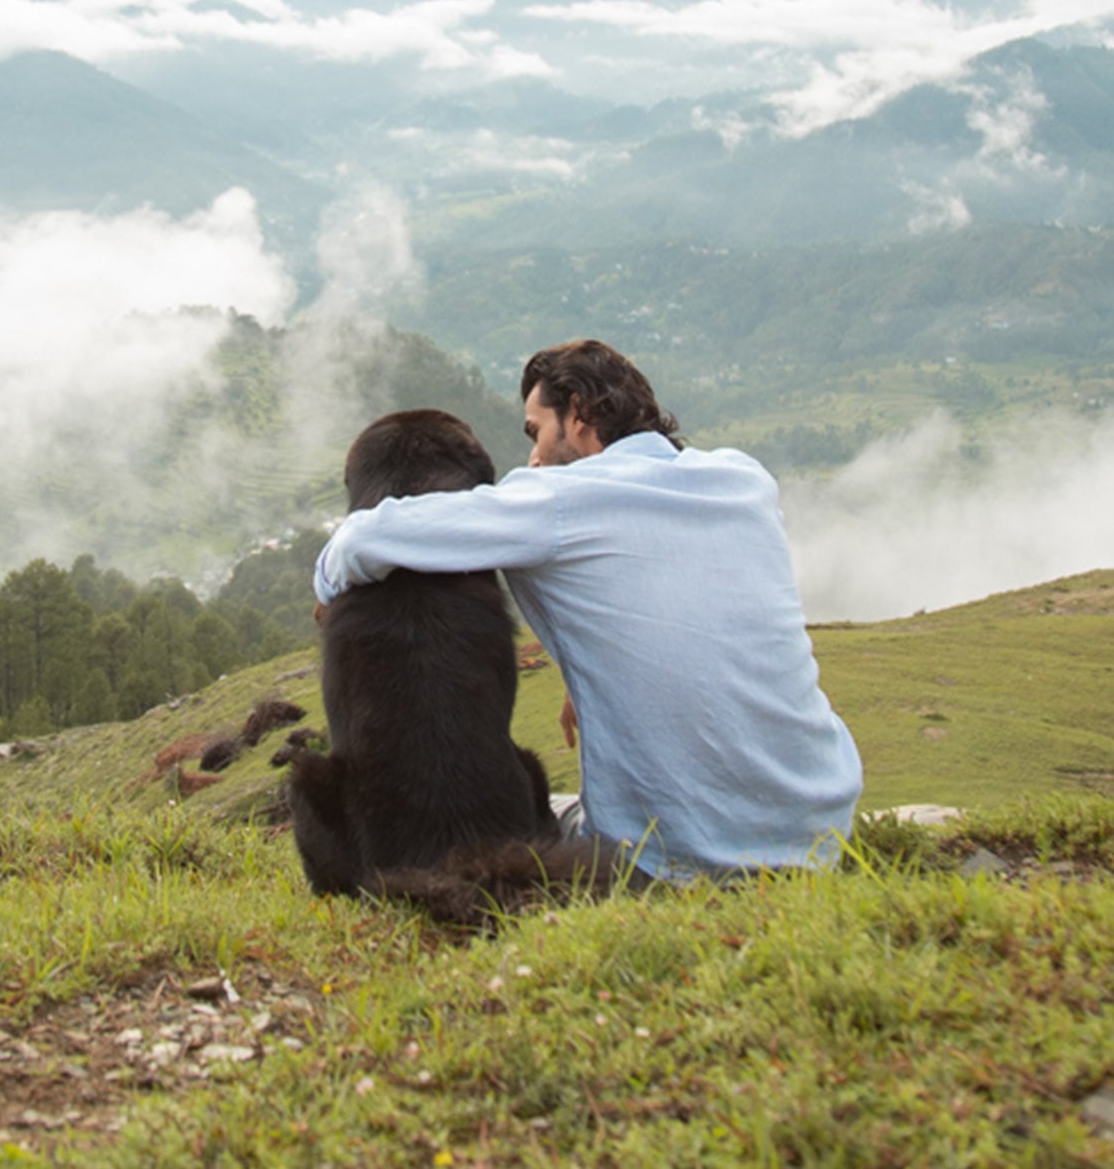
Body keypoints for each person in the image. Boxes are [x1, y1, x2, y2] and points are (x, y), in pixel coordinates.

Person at [314, 339, 862, 882]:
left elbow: (369, 537)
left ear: (577, 411)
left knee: (550, 828)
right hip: (823, 827)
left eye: (536, 431)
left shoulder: (554, 500)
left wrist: (326, 588)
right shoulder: (744, 479)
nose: (531, 455)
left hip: (681, 855)